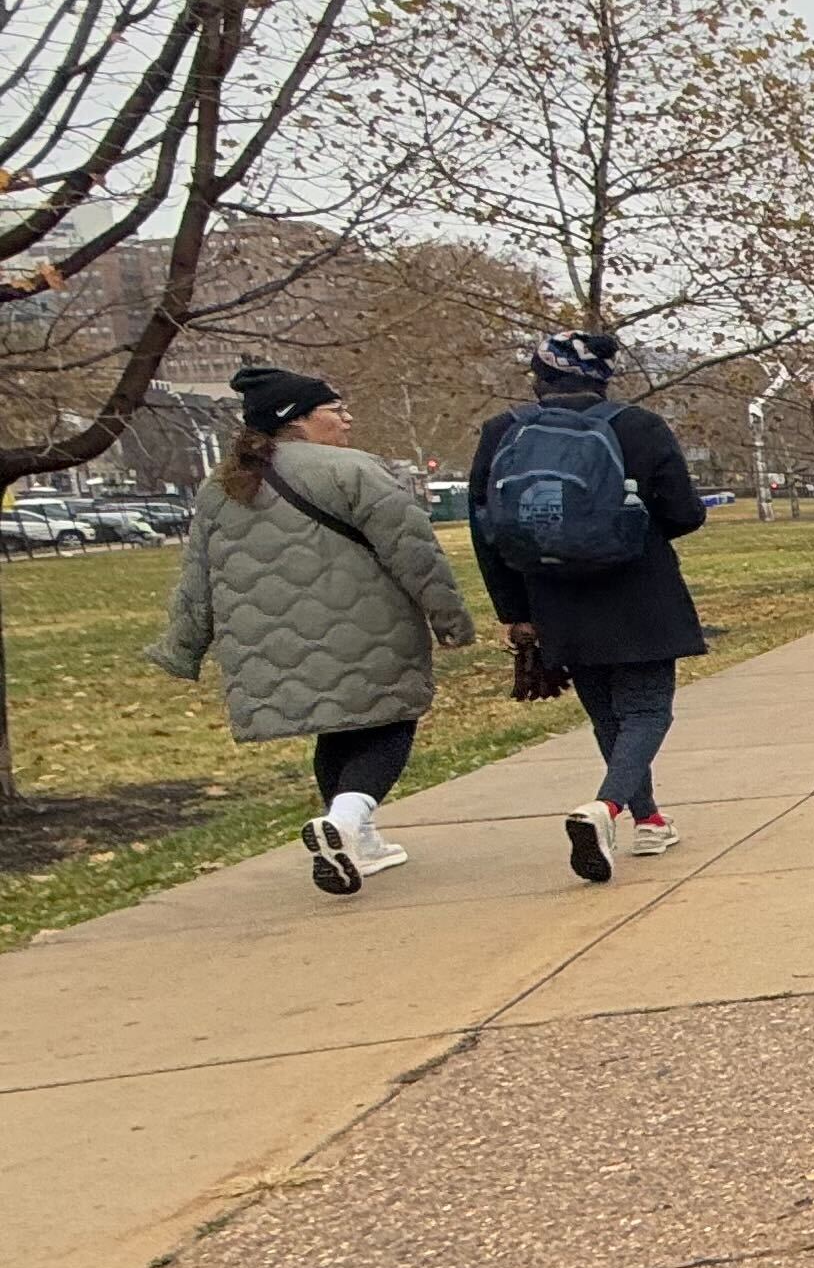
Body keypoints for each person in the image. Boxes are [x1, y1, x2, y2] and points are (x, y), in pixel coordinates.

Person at [146, 365, 477, 897]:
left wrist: (182, 648)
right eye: (335, 409)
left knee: (337, 727)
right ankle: (346, 821)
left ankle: (354, 838)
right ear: (296, 420)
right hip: (366, 629)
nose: (348, 418)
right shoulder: (355, 471)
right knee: (391, 721)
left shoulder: (222, 486)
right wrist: (450, 622)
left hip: (271, 643)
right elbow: (416, 554)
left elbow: (196, 579)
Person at [470, 331, 712, 880]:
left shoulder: (502, 433)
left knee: (606, 712)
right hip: (638, 589)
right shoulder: (638, 427)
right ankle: (605, 809)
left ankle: (647, 818)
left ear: (538, 377)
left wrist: (513, 611)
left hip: (552, 595)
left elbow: (487, 531)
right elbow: (684, 513)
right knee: (647, 710)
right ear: (603, 377)